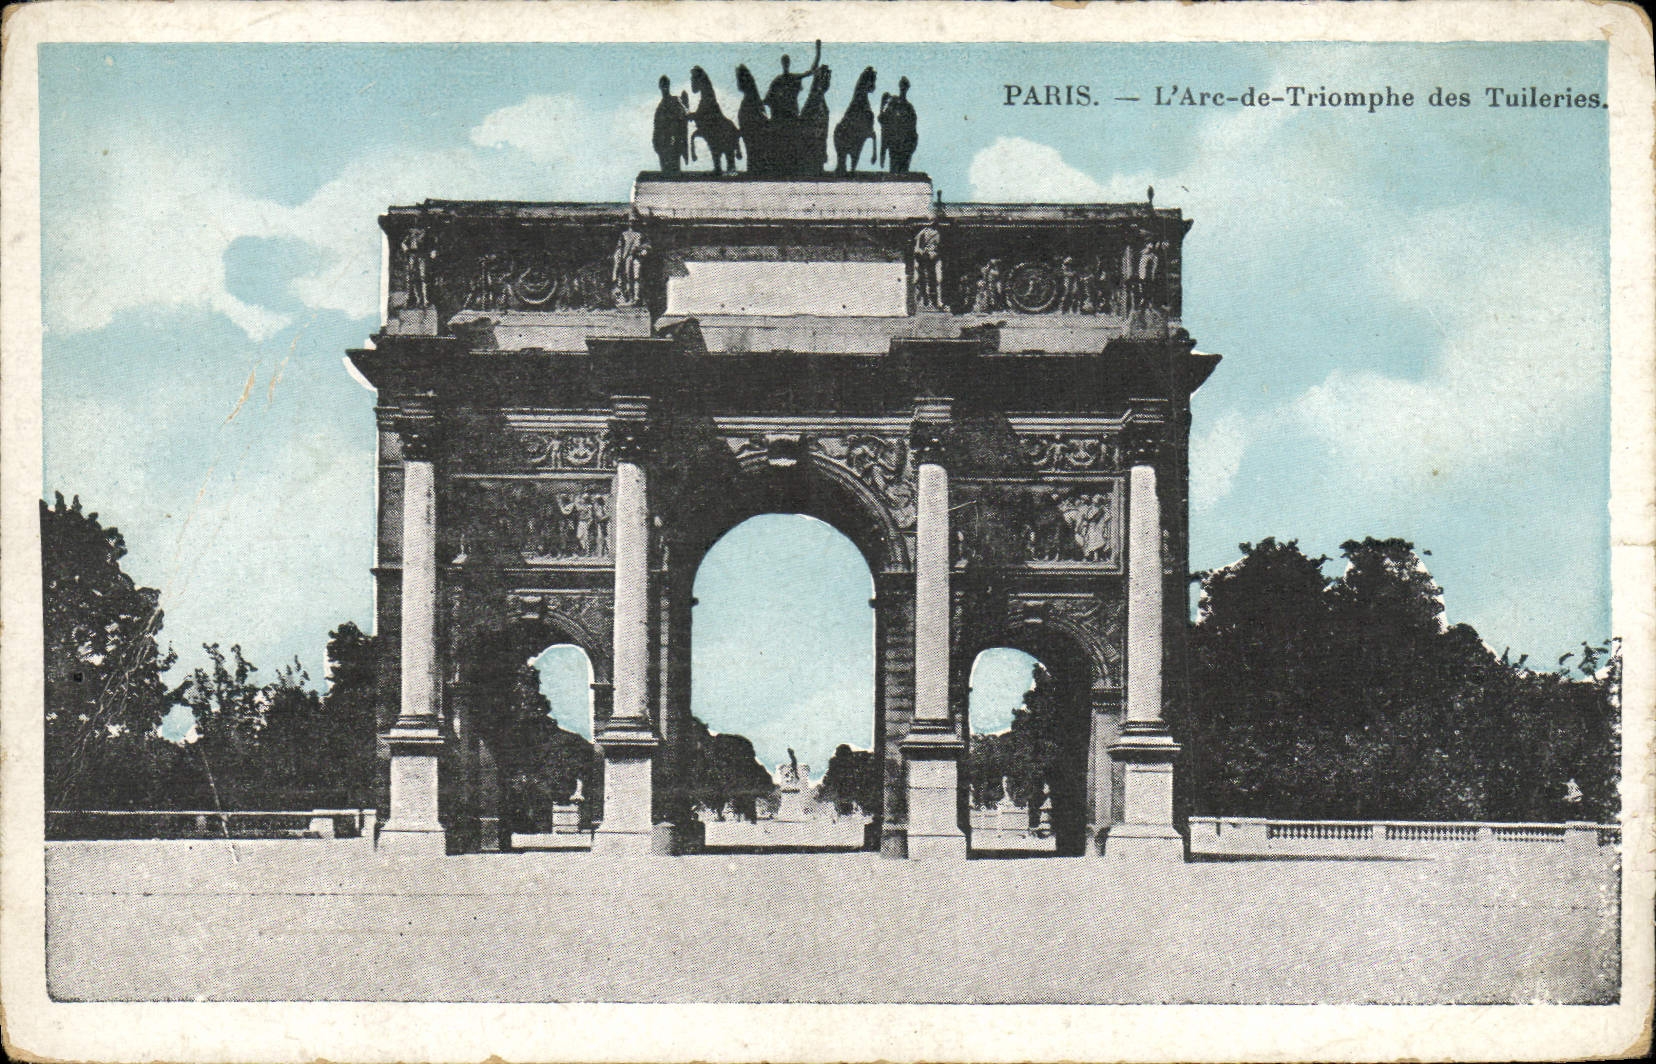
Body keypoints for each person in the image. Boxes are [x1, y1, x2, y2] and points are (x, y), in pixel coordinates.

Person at [764, 40, 822, 123]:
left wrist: (818, 52)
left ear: (789, 63)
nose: (785, 64)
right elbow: (768, 97)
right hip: (779, 115)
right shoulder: (778, 80)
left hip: (792, 114)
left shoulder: (794, 77)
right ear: (782, 63)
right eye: (784, 62)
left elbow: (811, 71)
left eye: (787, 62)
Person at [611, 214, 650, 307]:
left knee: (637, 277)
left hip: (637, 258)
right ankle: (629, 298)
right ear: (628, 222)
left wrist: (644, 251)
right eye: (631, 221)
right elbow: (619, 247)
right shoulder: (624, 234)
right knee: (627, 278)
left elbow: (647, 245)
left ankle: (637, 298)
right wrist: (619, 257)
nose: (632, 223)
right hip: (626, 258)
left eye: (634, 221)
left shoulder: (641, 234)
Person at [652, 75, 689, 172]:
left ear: (668, 86)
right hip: (662, 143)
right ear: (660, 87)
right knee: (665, 170)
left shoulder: (675, 101)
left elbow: (682, 117)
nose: (664, 88)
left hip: (673, 140)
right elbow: (657, 126)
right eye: (662, 86)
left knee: (674, 168)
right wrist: (656, 141)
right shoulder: (660, 107)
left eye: (666, 85)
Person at [881, 76, 918, 173]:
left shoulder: (909, 107)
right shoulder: (893, 104)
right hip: (895, 142)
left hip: (906, 143)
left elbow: (913, 125)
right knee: (894, 167)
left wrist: (912, 142)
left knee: (904, 168)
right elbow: (884, 118)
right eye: (902, 87)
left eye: (905, 87)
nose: (903, 89)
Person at [912, 215, 943, 309]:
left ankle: (937, 301)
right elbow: (917, 247)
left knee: (938, 280)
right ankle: (925, 301)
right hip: (925, 259)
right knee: (923, 280)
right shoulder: (923, 232)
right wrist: (923, 253)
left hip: (935, 259)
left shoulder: (938, 232)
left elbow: (939, 246)